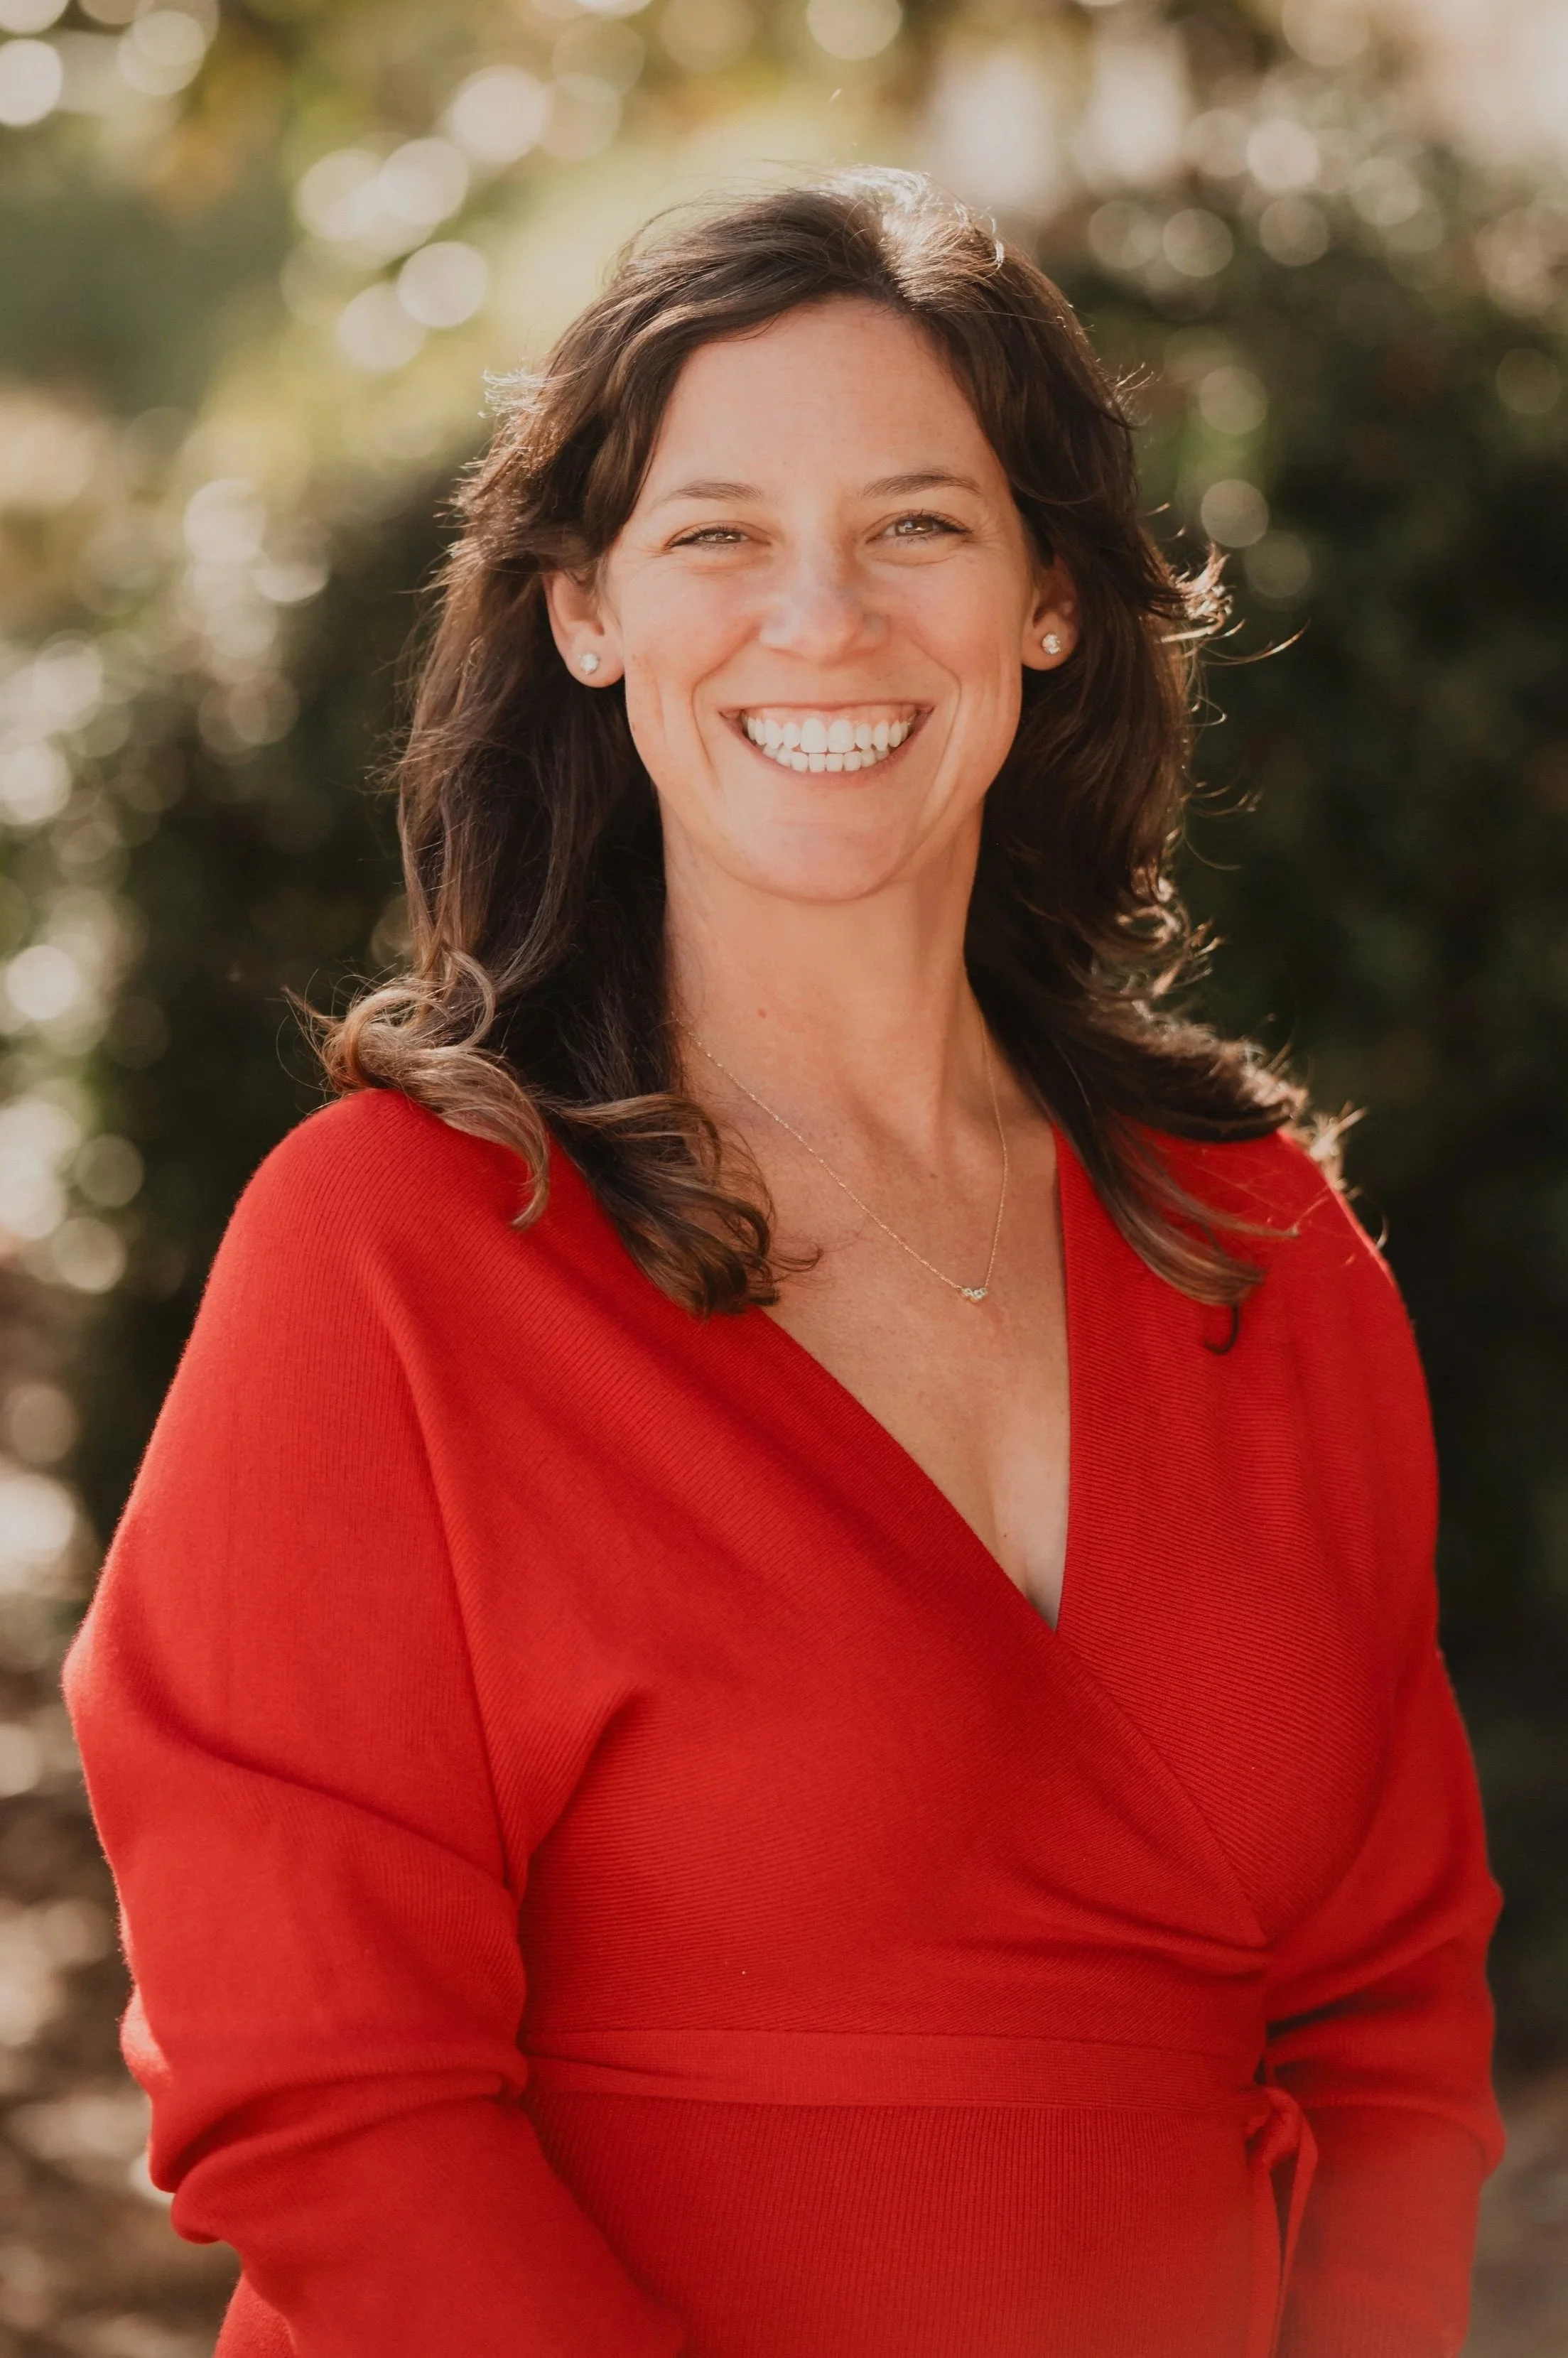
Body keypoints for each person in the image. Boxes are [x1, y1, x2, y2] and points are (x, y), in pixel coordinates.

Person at [63, 168, 1501, 2358]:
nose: (818, 619)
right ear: (583, 611)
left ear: (1043, 597)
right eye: (716, 533)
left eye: (917, 523)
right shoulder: (391, 1254)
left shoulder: (1264, 1247)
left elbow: (1390, 2025)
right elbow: (329, 2099)